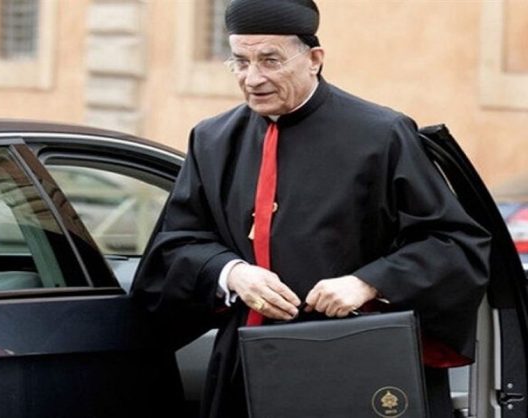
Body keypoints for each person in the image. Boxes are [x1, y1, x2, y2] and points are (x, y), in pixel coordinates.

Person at [132, 1, 491, 417]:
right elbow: (176, 245)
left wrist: (368, 282)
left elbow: (453, 244)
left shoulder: (381, 135)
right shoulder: (212, 140)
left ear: (314, 59)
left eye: (270, 60)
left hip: (356, 356)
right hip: (245, 366)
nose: (253, 78)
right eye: (241, 62)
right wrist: (232, 273)